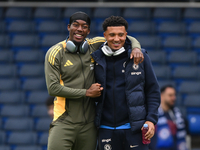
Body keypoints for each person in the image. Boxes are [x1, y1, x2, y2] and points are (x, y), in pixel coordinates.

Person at [45, 11, 143, 150]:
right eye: (76, 25)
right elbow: (52, 88)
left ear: (88, 30)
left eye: (84, 26)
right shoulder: (55, 52)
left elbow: (121, 37)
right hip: (64, 122)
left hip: (90, 125)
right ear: (69, 27)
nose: (80, 29)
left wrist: (136, 47)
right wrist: (86, 92)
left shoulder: (93, 45)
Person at [91, 16, 161, 150]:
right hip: (106, 128)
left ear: (126, 35)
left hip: (135, 128)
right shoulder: (96, 58)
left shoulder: (140, 56)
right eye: (112, 35)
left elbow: (152, 90)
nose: (116, 39)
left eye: (120, 35)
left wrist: (151, 120)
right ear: (105, 35)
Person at [149, 85, 188, 150]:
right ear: (162, 96)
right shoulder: (153, 114)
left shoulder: (177, 114)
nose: (173, 98)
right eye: (170, 95)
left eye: (174, 95)